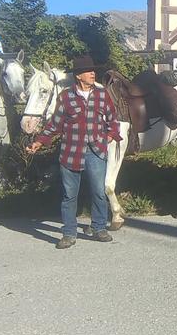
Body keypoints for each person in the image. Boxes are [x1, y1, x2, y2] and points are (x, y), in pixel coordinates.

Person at [25, 55, 121, 249]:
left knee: (98, 192)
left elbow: (113, 119)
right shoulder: (67, 97)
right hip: (71, 152)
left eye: (93, 70)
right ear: (78, 76)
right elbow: (55, 124)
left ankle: (99, 227)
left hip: (96, 151)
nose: (93, 73)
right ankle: (69, 233)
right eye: (88, 71)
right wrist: (39, 142)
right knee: (69, 195)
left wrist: (110, 135)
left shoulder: (102, 95)